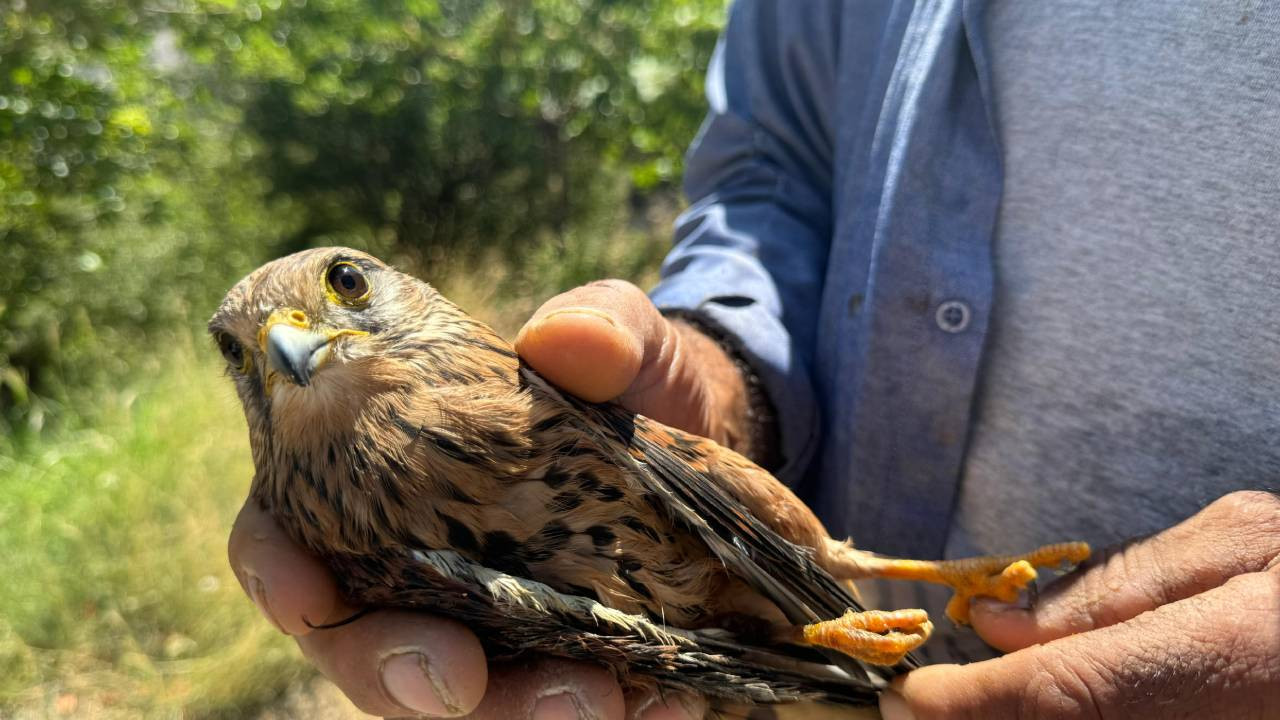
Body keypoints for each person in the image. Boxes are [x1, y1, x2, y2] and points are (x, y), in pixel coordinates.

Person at [227, 1, 1280, 718]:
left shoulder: (510, 395)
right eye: (244, 354)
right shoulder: (347, 535)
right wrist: (719, 374)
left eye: (344, 286)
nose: (290, 339)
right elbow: (767, 180)